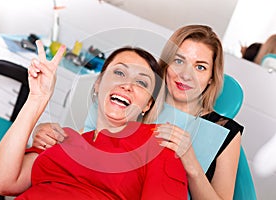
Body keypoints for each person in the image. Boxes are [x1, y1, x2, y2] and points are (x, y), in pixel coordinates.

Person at [32, 24, 244, 199]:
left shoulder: (225, 131)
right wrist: (47, 135)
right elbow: (84, 144)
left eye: (200, 67)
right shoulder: (133, 102)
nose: (186, 74)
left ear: (211, 78)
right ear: (166, 65)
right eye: (179, 61)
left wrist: (192, 164)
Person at [0, 41, 188, 199]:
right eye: (119, 72)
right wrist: (37, 99)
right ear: (98, 84)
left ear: (147, 105)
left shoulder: (158, 146)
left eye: (142, 82)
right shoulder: (60, 139)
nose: (127, 85)